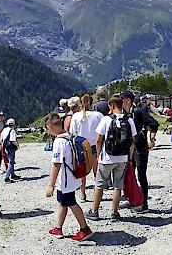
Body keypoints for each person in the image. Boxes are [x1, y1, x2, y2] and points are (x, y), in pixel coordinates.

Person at [44, 113, 94, 241]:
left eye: (47, 128)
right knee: (62, 202)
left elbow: (56, 164)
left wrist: (50, 185)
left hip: (65, 179)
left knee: (71, 202)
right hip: (71, 177)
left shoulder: (59, 142)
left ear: (50, 126)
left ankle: (85, 229)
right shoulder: (69, 136)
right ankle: (58, 228)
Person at [86, 96, 136, 221]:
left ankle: (94, 211)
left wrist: (98, 155)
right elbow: (133, 141)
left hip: (106, 157)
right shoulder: (129, 120)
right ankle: (114, 212)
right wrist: (129, 158)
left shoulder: (106, 119)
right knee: (118, 186)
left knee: (100, 184)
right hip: (123, 158)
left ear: (112, 105)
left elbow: (98, 140)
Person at [122, 91, 159, 213]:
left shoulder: (137, 111)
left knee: (141, 175)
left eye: (122, 99)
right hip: (130, 148)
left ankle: (144, 204)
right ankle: (133, 199)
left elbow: (153, 123)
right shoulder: (126, 112)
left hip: (140, 147)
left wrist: (149, 136)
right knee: (130, 174)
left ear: (127, 100)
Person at [69, 94, 104, 202]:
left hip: (80, 146)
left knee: (82, 171)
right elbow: (102, 131)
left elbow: (72, 132)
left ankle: (83, 194)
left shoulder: (75, 116)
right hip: (94, 146)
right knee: (96, 171)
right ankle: (96, 195)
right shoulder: (98, 115)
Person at [1, 118, 20, 183]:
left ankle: (12, 174)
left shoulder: (4, 130)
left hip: (4, 147)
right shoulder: (12, 131)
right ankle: (7, 177)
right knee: (11, 162)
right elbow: (13, 140)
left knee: (8, 161)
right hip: (11, 148)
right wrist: (17, 145)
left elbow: (1, 140)